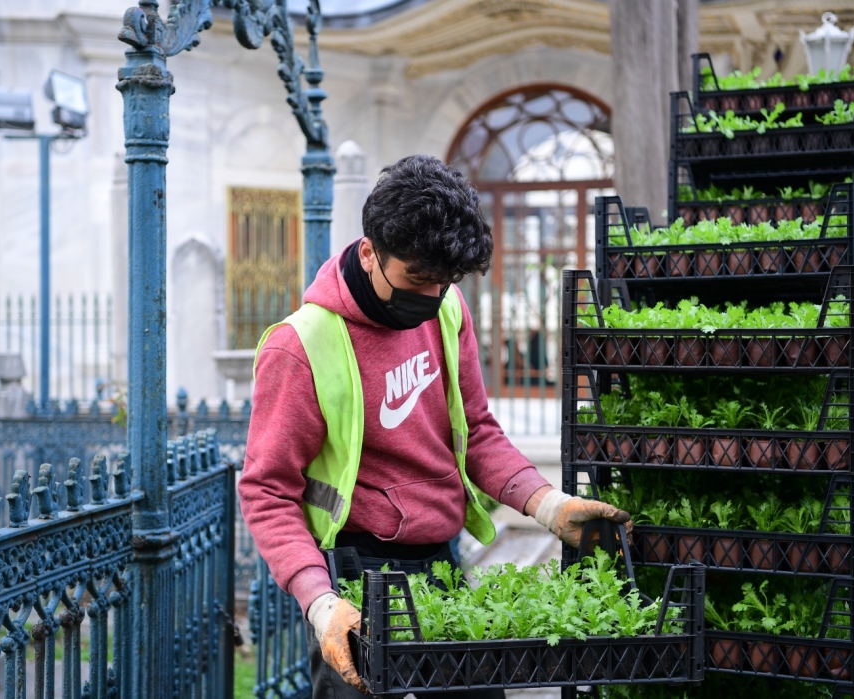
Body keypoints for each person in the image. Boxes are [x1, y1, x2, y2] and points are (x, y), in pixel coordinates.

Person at [239, 155, 631, 698]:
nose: (430, 297)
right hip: (354, 579)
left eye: (445, 282)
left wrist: (549, 505)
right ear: (370, 251)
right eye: (417, 278)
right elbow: (266, 491)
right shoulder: (301, 346)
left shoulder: (447, 309)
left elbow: (476, 430)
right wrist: (322, 602)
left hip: (442, 562)